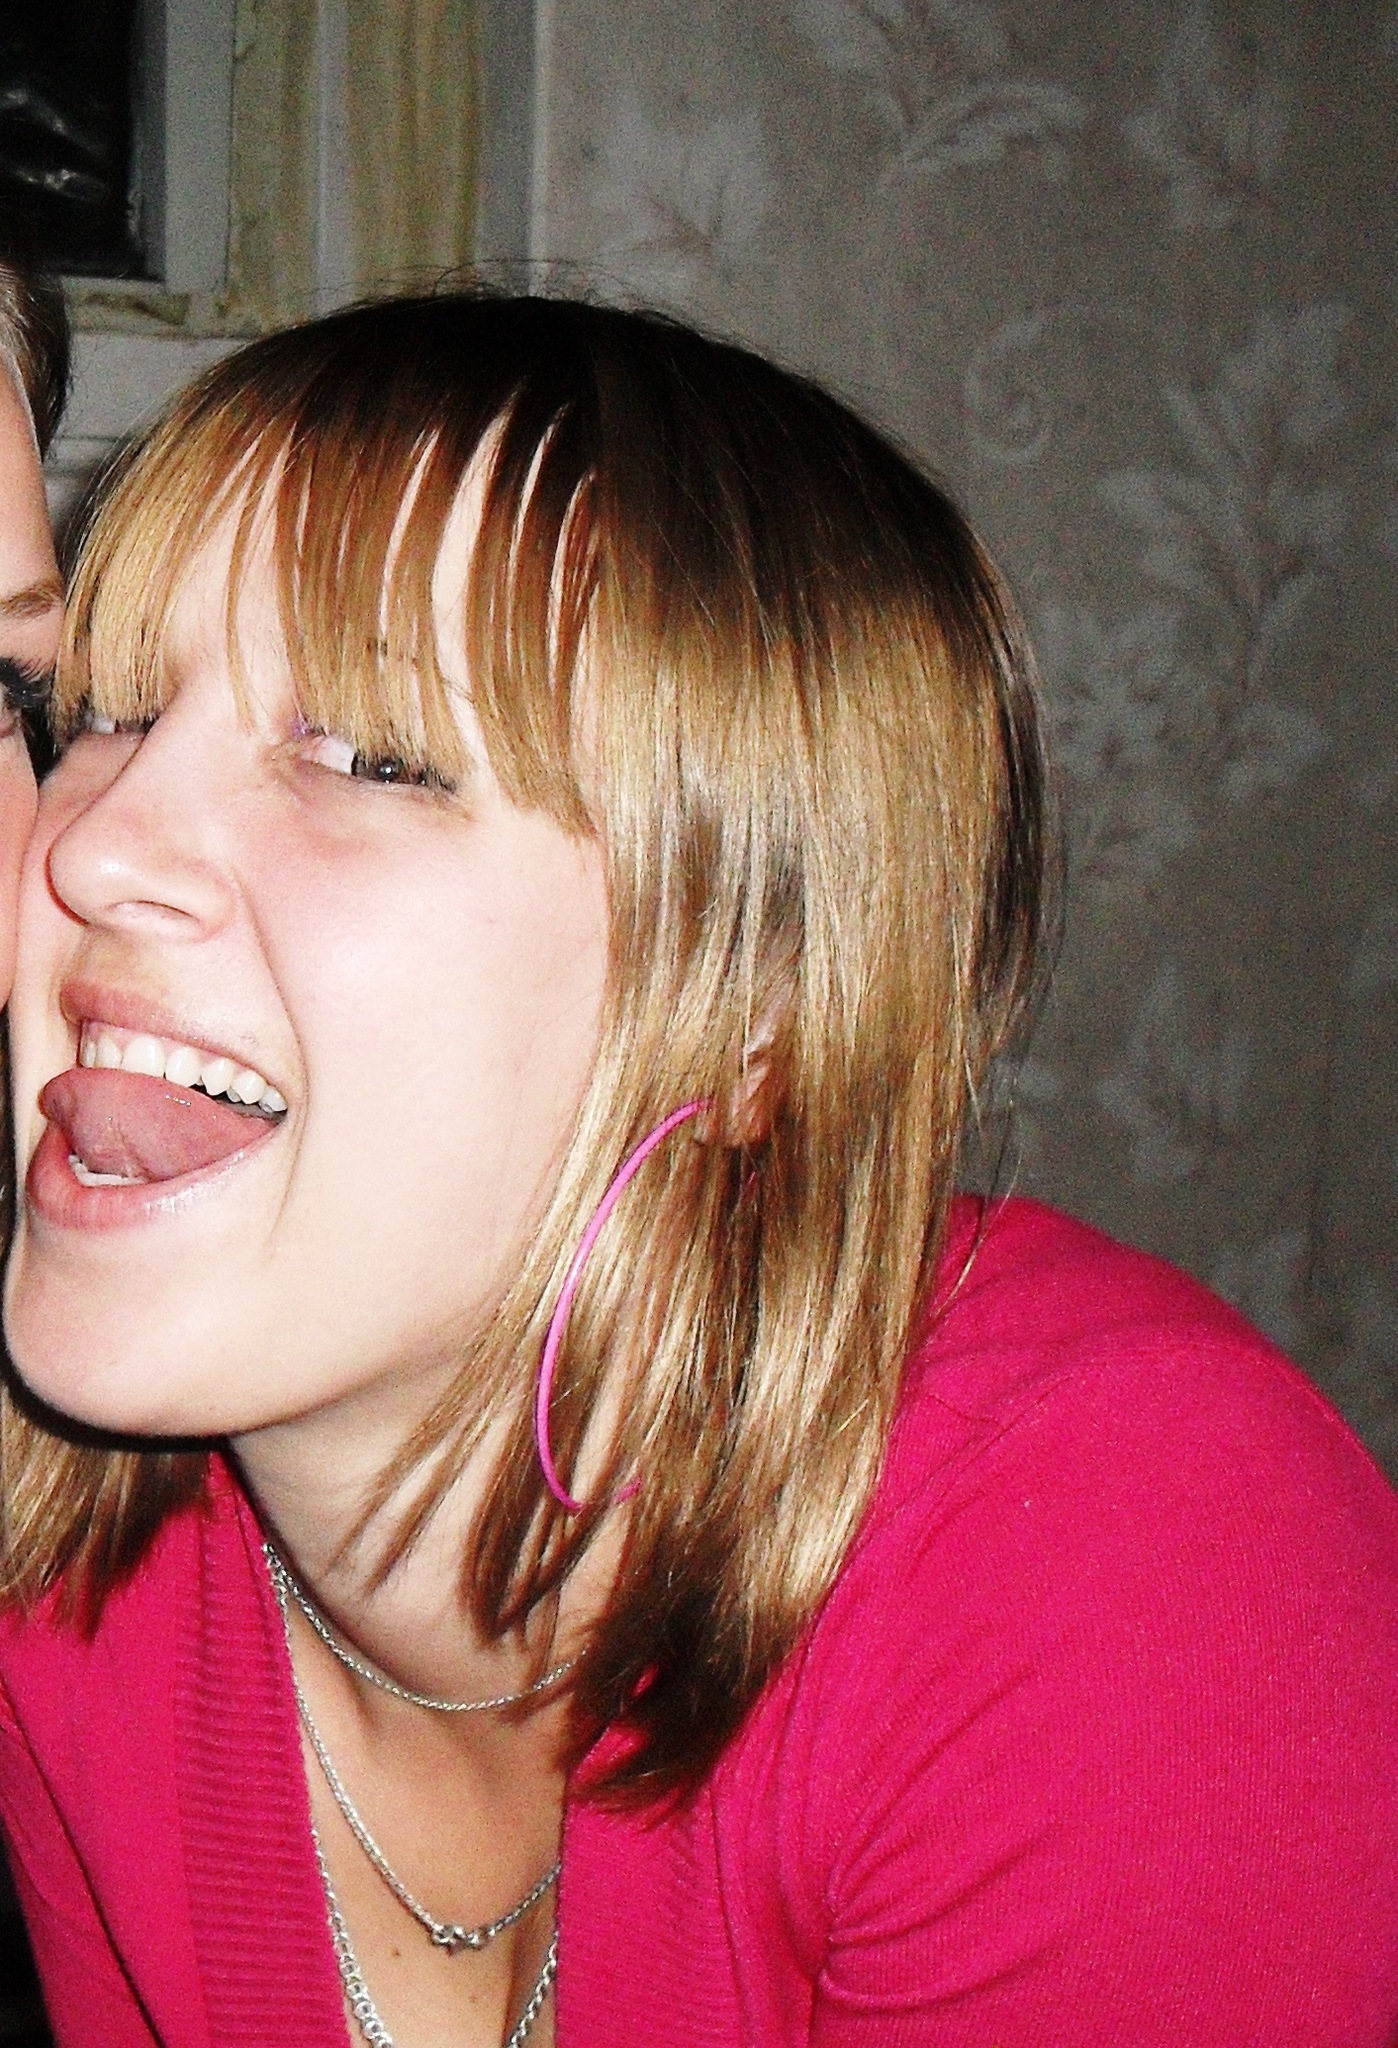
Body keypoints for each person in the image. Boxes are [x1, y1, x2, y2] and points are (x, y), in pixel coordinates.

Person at [0, 292, 1393, 2048]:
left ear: (754, 1017)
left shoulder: (1127, 1575)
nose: (97, 845)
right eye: (104, 711)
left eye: (371, 756)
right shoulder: (71, 1591)